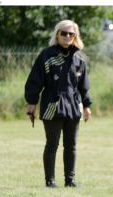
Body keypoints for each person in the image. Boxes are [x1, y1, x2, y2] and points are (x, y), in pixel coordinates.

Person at [25, 19, 92, 188]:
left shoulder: (80, 58)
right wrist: (32, 102)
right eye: (64, 33)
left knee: (71, 146)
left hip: (73, 108)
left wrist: (86, 106)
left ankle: (70, 180)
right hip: (51, 108)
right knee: (52, 144)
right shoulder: (46, 55)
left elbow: (84, 86)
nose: (67, 36)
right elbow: (34, 81)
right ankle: (50, 181)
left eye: (71, 33)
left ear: (75, 36)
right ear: (57, 34)